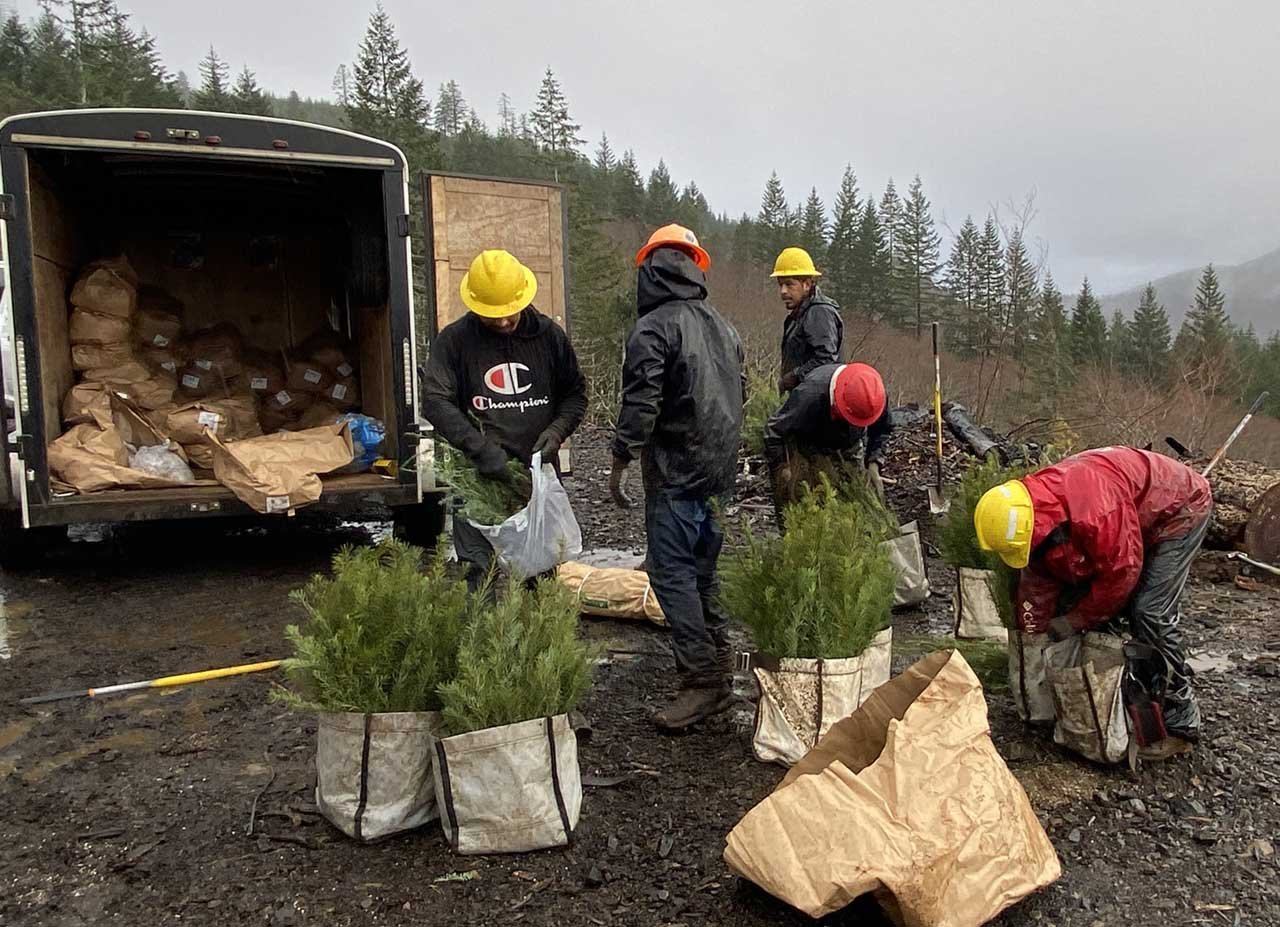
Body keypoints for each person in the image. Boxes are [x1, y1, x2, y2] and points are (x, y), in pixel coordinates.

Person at [974, 447, 1212, 756]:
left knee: (1149, 611)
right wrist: (1034, 631)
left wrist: (1074, 621)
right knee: (1092, 605)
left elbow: (1121, 576)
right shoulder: (1033, 515)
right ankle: (1112, 703)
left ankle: (1180, 723)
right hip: (1129, 511)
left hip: (1179, 510)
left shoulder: (1097, 512)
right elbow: (1038, 581)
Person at [609, 223, 746, 730]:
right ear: (693, 269)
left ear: (648, 271)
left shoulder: (652, 329)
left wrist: (622, 456)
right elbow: (742, 393)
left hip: (676, 473)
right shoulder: (723, 326)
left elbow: (641, 400)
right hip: (717, 472)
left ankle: (702, 682)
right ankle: (721, 665)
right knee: (704, 572)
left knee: (672, 575)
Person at [422, 249, 586, 589]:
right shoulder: (455, 342)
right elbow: (436, 402)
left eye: (508, 314)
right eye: (490, 316)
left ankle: (539, 639)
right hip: (477, 479)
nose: (502, 322)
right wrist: (481, 450)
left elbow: (575, 395)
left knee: (542, 570)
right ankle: (484, 639)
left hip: (533, 477)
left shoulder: (548, 337)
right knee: (478, 574)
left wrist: (556, 432)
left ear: (522, 298)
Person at [763, 362, 892, 522]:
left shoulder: (875, 396)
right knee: (802, 500)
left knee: (855, 495)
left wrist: (874, 462)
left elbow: (882, 430)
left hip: (849, 444)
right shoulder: (809, 394)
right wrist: (783, 466)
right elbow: (774, 431)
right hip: (809, 442)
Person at [772, 247, 843, 393]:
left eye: (789, 284)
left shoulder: (819, 312)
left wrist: (793, 377)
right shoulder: (800, 315)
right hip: (805, 399)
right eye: (780, 285)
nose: (783, 291)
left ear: (807, 284)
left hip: (816, 404)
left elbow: (826, 361)